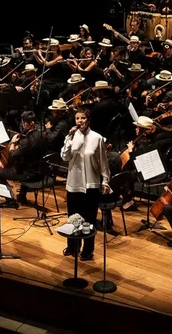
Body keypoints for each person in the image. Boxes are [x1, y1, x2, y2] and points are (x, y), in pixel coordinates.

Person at [61, 107, 111, 261]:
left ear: (88, 120)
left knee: (88, 219)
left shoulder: (97, 138)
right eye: (77, 118)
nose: (79, 121)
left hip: (91, 184)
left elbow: (103, 162)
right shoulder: (71, 136)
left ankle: (88, 250)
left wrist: (106, 181)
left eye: (82, 118)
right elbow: (64, 156)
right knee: (73, 217)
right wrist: (69, 139)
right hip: (74, 183)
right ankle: (72, 246)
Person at [0, 111, 46, 208]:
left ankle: (10, 201)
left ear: (27, 124)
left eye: (23, 123)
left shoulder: (27, 142)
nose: (22, 125)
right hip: (42, 172)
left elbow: (13, 155)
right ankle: (22, 196)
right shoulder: (43, 135)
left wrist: (13, 143)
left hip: (29, 175)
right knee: (26, 164)